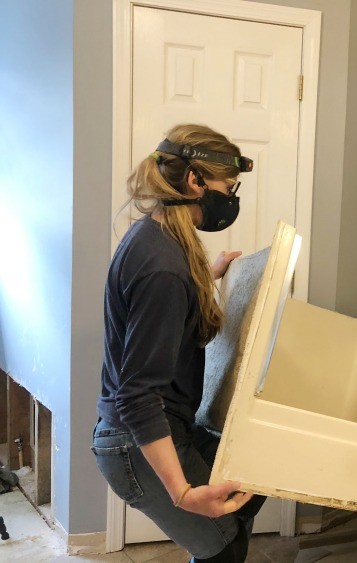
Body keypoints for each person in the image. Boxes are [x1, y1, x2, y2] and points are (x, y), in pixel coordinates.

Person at [93, 124, 265, 562]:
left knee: (248, 485)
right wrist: (183, 493)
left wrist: (209, 276)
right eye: (228, 187)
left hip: (154, 429)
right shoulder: (163, 268)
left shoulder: (158, 238)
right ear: (195, 182)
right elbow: (137, 395)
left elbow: (162, 307)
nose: (230, 198)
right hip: (137, 438)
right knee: (224, 546)